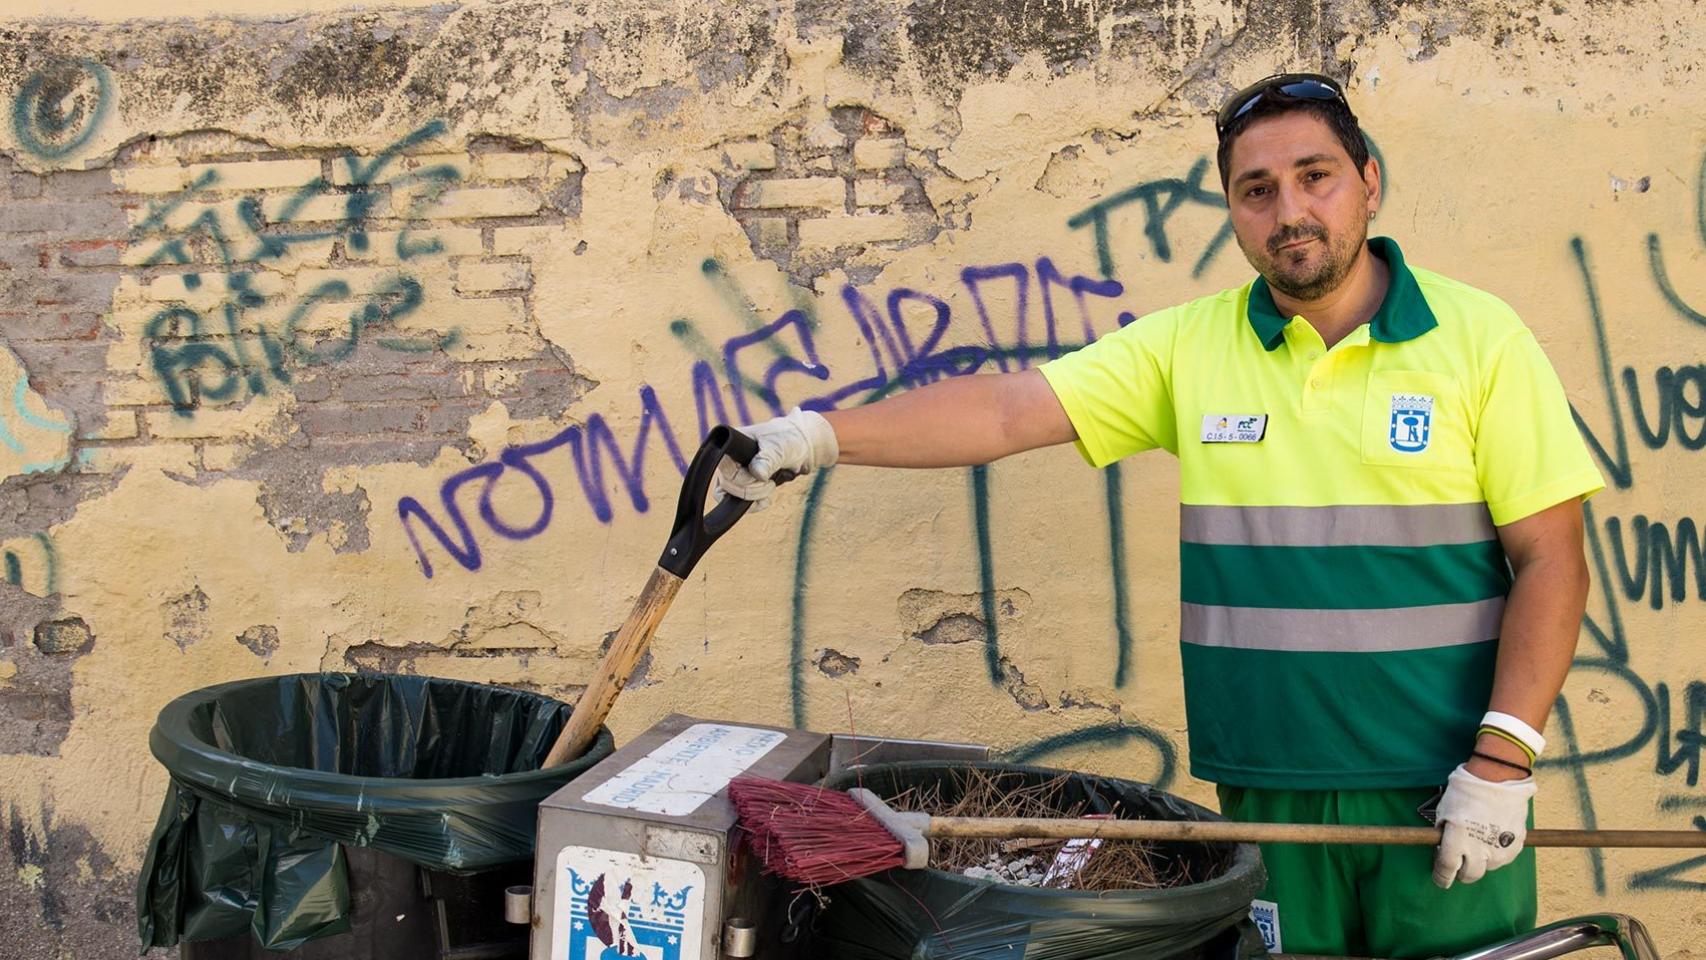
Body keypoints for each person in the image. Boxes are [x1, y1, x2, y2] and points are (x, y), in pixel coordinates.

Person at [715, 73, 1603, 959]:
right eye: (1257, 191)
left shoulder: (1480, 339)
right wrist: (815, 435)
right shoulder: (1190, 347)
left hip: (1444, 792)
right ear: (1233, 211)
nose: (1289, 211)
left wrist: (1502, 762)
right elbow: (1007, 411)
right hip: (1264, 793)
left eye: (1315, 176)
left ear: (1369, 181)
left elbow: (1553, 559)